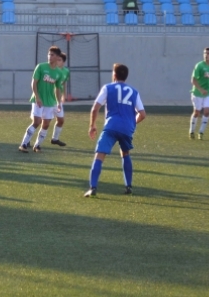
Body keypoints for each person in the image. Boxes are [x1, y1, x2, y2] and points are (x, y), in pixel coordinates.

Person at [84, 63, 146, 197]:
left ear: (114, 75)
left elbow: (95, 107)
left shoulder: (108, 88)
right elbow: (142, 114)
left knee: (100, 155)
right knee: (125, 153)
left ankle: (93, 187)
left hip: (111, 126)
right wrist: (132, 123)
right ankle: (128, 186)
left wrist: (92, 125)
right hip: (127, 128)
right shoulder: (134, 91)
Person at [18, 46, 64, 153]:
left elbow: (57, 88)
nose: (49, 56)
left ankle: (37, 146)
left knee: (46, 124)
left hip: (50, 102)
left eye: (52, 55)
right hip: (38, 100)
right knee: (37, 122)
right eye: (49, 54)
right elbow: (34, 83)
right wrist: (37, 97)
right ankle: (23, 144)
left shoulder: (59, 73)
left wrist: (58, 102)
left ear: (57, 57)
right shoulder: (41, 67)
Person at [189, 47, 209, 140]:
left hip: (208, 93)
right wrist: (201, 89)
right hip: (197, 93)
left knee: (206, 112)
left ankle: (201, 132)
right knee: (197, 112)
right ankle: (192, 131)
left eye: (208, 53)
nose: (206, 55)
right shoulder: (199, 66)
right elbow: (193, 80)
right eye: (205, 53)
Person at [50, 51, 69, 147]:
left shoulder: (66, 71)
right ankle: (29, 140)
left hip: (58, 100)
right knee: (41, 121)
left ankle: (55, 139)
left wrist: (64, 95)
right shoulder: (52, 70)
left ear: (63, 62)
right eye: (56, 60)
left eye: (59, 60)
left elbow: (64, 83)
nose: (57, 62)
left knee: (61, 120)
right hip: (49, 99)